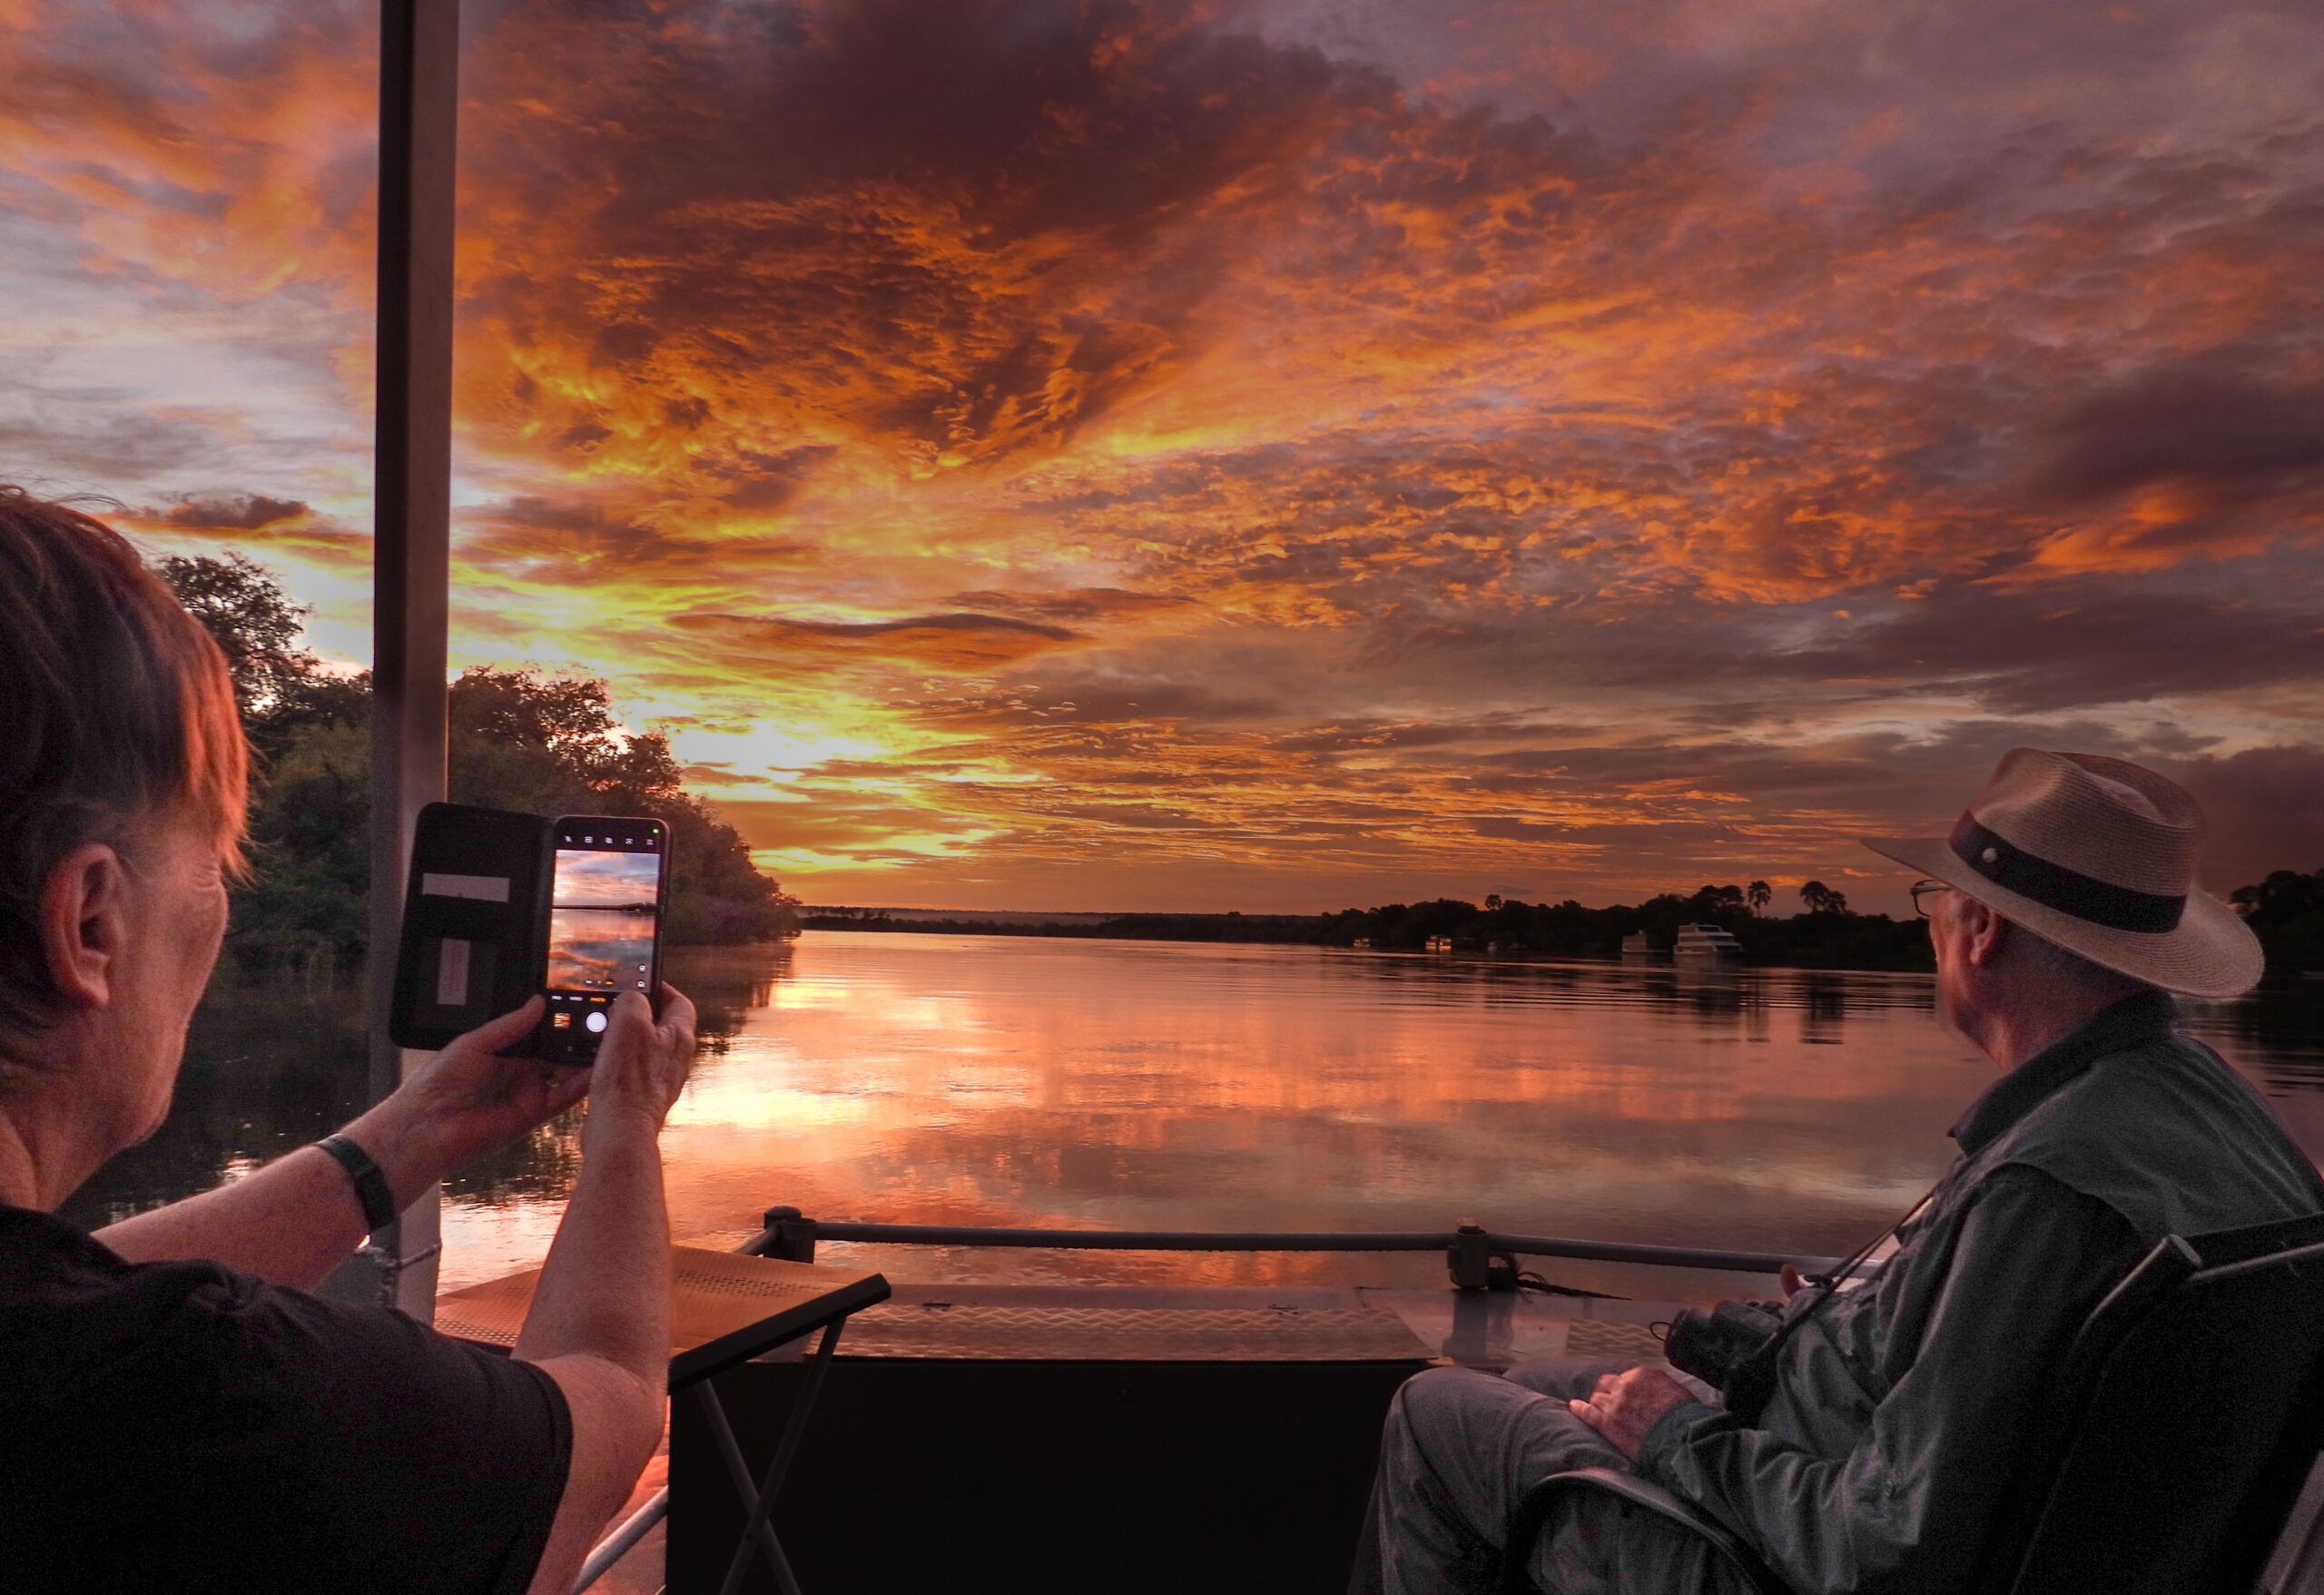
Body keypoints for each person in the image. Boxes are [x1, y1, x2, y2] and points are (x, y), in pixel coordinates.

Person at [1354, 747, 2324, 1595]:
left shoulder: (2045, 1186)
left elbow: (1881, 1550)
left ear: (1981, 930)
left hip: (1790, 1561)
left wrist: (1674, 1435)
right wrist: (1809, 1336)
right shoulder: (2222, 1120)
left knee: (1437, 1412)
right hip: (1964, 1513)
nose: (1931, 925)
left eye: (1936, 901)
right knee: (1541, 1378)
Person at [0, 484, 699, 1594]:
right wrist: (625, 1122)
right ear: (90, 922)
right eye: (215, 866)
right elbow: (604, 1408)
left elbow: (73, 1294)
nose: (221, 915)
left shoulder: (77, 1350)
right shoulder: (219, 1396)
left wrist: (412, 1134)